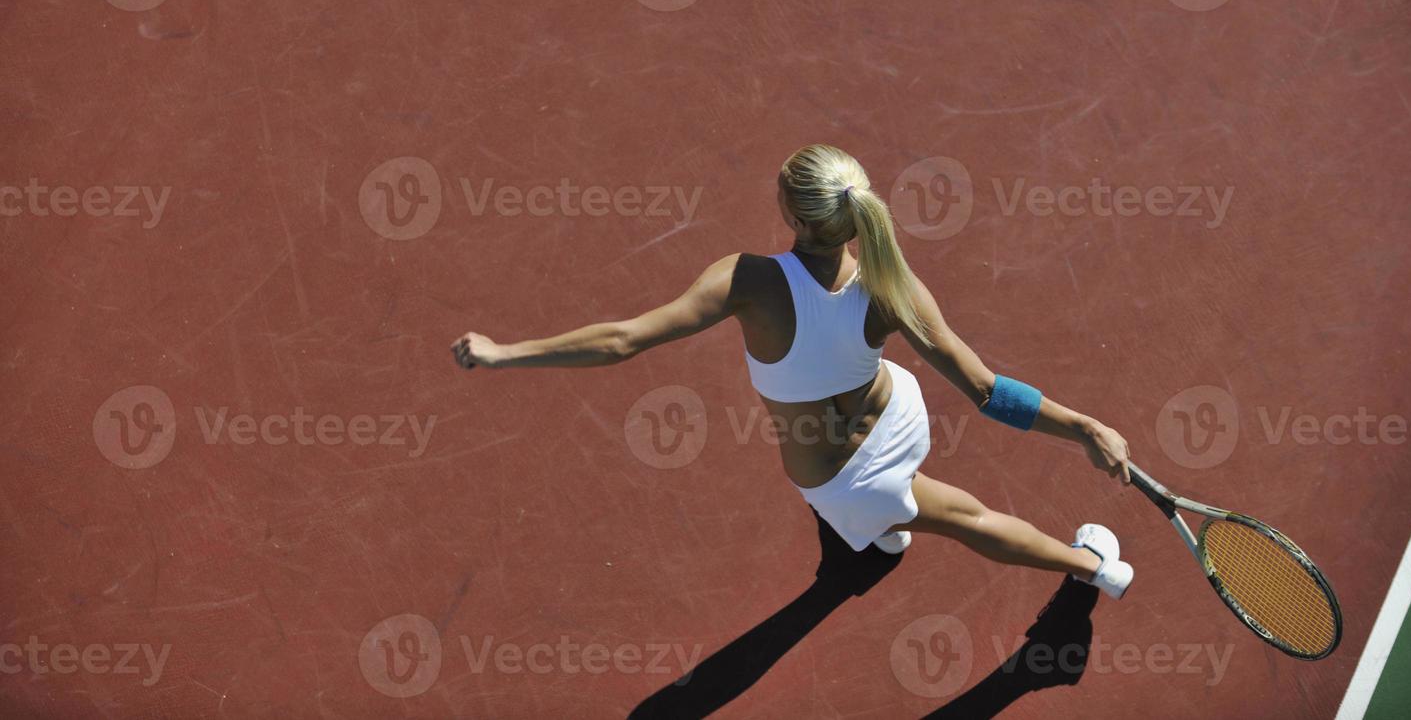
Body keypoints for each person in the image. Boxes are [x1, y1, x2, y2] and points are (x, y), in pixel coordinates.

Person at [452, 144, 1135, 598]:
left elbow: (622, 342)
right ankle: (889, 525)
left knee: (972, 522)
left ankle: (1095, 570)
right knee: (942, 515)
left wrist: (505, 352)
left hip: (843, 480)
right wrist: (1085, 428)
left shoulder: (748, 281)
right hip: (899, 419)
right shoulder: (892, 281)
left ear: (792, 214)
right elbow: (987, 391)